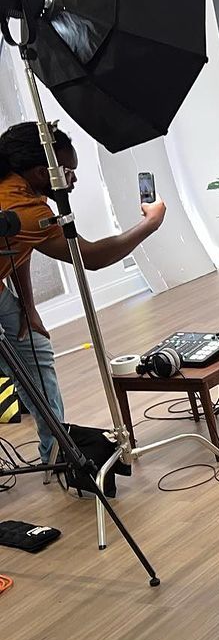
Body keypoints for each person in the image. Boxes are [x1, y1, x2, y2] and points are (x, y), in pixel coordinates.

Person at [0, 121, 166, 467]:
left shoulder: (25, 192)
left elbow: (18, 247)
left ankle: (57, 453)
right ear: (40, 172)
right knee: (22, 363)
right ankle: (58, 451)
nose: (73, 179)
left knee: (36, 351)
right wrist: (150, 224)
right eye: (68, 171)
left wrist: (29, 307)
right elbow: (90, 257)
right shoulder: (23, 208)